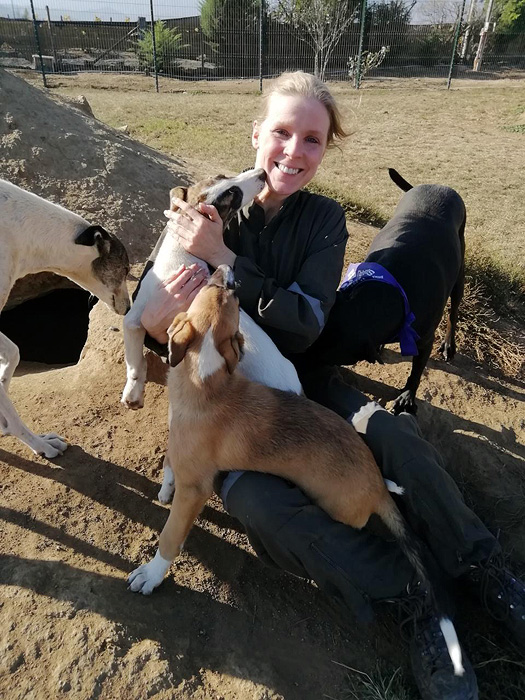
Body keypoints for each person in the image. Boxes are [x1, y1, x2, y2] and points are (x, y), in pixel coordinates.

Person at [139, 71, 525, 700]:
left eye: (312, 140)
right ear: (257, 134)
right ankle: (416, 602)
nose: (293, 151)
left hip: (309, 382)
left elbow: (310, 320)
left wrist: (230, 263)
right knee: (263, 507)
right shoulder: (211, 209)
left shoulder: (324, 220)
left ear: (326, 150)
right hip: (236, 408)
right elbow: (153, 312)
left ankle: (484, 567)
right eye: (282, 133)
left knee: (396, 438)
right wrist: (169, 300)